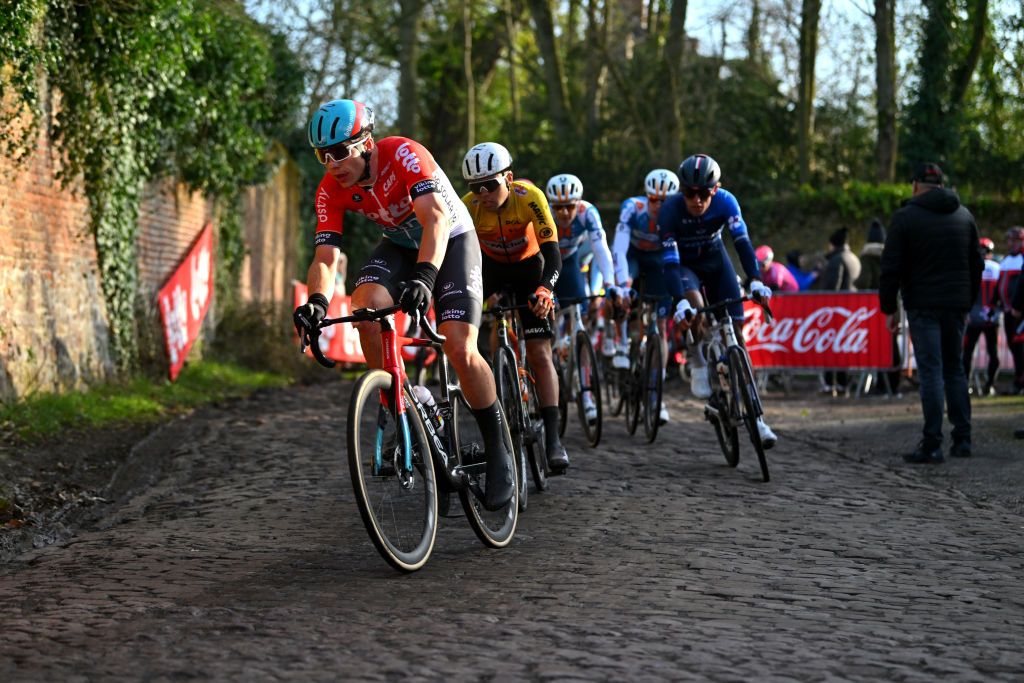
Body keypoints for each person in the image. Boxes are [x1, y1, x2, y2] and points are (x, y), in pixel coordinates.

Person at [292, 99, 514, 510]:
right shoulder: (330, 188)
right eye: (323, 156)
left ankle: (498, 450)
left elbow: (435, 220)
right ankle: (409, 404)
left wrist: (425, 278)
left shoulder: (404, 154)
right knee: (365, 307)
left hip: (451, 239)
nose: (332, 163)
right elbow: (325, 256)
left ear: (366, 143)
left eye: (340, 152)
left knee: (460, 348)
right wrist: (317, 303)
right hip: (399, 245)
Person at [461, 142, 570, 472]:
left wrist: (546, 288)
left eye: (490, 185)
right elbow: (461, 254)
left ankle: (553, 438)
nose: (484, 194)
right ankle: (499, 379)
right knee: (477, 323)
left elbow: (552, 252)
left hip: (529, 269)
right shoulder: (468, 206)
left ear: (508, 178)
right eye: (475, 188)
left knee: (539, 353)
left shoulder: (529, 197)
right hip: (491, 269)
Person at [660, 153, 777, 447]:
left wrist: (756, 280)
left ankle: (757, 419)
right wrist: (679, 302)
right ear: (681, 191)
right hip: (684, 267)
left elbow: (742, 243)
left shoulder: (726, 201)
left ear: (716, 188)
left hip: (715, 261)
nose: (696, 200)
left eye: (703, 193)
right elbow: (670, 264)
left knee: (736, 336)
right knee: (695, 305)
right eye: (690, 193)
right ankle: (698, 359)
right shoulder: (670, 210)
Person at [879, 162, 983, 463]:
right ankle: (963, 439)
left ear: (915, 185)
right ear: (941, 184)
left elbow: (891, 268)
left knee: (931, 372)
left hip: (923, 304)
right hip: (956, 304)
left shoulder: (906, 217)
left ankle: (932, 443)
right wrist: (968, 301)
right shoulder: (964, 216)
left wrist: (889, 309)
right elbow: (976, 263)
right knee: (955, 370)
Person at [545, 173, 617, 423]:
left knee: (580, 323)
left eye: (570, 206)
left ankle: (586, 393)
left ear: (579, 203)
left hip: (571, 262)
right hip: (544, 263)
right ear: (551, 206)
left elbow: (601, 250)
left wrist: (609, 285)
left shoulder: (588, 213)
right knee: (546, 321)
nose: (564, 213)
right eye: (559, 207)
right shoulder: (543, 211)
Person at [610, 168, 680, 425]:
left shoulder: (679, 212)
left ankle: (656, 393)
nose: (658, 206)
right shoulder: (633, 208)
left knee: (660, 326)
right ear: (646, 197)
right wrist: (623, 283)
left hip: (659, 260)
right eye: (654, 200)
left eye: (665, 201)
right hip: (633, 256)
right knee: (623, 293)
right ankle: (621, 340)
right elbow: (619, 245)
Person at [962, 237, 1001, 396]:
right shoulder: (998, 267)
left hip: (974, 317)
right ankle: (989, 384)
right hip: (992, 317)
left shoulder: (970, 268)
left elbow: (965, 293)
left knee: (968, 352)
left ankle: (965, 384)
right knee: (993, 353)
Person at [995, 226, 1024, 394]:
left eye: (1015, 241)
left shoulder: (1022, 259)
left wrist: (1018, 306)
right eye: (1009, 240)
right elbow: (1000, 286)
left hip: (1019, 313)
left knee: (1020, 347)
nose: (1011, 244)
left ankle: (1020, 381)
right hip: (1008, 312)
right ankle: (1019, 377)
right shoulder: (1005, 261)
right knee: (1014, 346)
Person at [854, 218, 885, 290]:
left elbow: (863, 282)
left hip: (872, 299)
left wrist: (854, 282)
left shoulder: (866, 257)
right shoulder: (892, 256)